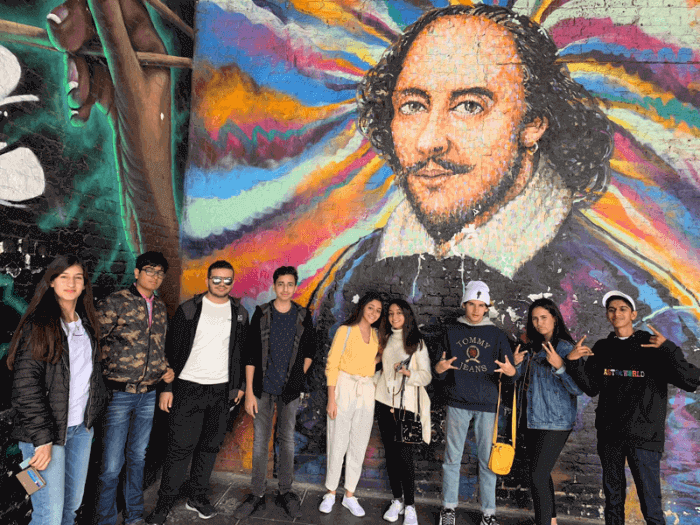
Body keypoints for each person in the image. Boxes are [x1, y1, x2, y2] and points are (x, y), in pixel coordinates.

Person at [314, 2, 616, 340]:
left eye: (469, 106)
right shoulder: (354, 273)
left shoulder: (606, 289)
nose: (429, 141)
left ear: (532, 124)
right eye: (413, 105)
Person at [566, 291, 700, 525]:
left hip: (644, 435)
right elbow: (591, 387)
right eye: (611, 310)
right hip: (610, 435)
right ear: (608, 315)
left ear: (633, 314)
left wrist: (669, 348)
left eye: (622, 309)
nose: (616, 313)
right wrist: (574, 362)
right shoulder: (603, 347)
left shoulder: (652, 344)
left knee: (650, 502)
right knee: (613, 499)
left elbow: (690, 381)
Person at [8, 254, 108, 525]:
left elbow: (90, 376)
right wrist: (41, 439)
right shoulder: (39, 325)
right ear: (51, 282)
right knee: (48, 515)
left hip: (79, 431)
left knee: (70, 508)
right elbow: (25, 386)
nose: (71, 283)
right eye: (63, 277)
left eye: (77, 277)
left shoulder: (86, 324)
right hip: (44, 437)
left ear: (85, 284)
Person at [146, 260, 248, 524]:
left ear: (232, 282)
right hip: (187, 389)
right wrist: (167, 388)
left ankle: (197, 497)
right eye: (217, 279)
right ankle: (163, 504)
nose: (222, 284)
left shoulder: (239, 312)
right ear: (207, 280)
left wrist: (238, 386)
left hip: (220, 391)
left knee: (209, 447)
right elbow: (172, 352)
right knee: (179, 448)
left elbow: (240, 351)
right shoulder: (189, 309)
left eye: (227, 280)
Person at [96, 251, 174, 525]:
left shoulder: (162, 308)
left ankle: (134, 517)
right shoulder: (116, 302)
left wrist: (165, 373)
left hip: (148, 395)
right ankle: (105, 519)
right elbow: (93, 340)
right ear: (137, 273)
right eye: (150, 271)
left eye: (160, 273)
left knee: (137, 460)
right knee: (110, 467)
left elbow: (160, 348)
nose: (155, 277)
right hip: (119, 395)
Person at [234, 265, 316, 520]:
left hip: (289, 391)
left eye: (290, 284)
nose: (285, 289)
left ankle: (286, 491)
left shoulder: (303, 314)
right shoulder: (262, 313)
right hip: (262, 389)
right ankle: (257, 492)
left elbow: (310, 350)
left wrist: (297, 377)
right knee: (260, 443)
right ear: (274, 285)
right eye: (280, 284)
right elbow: (249, 353)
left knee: (287, 441)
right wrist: (249, 392)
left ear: (295, 286)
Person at [435, 281, 517, 525]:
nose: (476, 309)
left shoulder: (497, 335)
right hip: (457, 400)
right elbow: (438, 371)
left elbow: (512, 374)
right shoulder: (451, 332)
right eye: (472, 304)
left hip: (487, 404)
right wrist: (439, 368)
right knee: (452, 458)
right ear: (464, 304)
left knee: (487, 461)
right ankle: (448, 509)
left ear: (487, 307)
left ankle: (488, 514)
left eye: (481, 305)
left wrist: (511, 371)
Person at [513, 299, 585, 525]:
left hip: (555, 422)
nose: (539, 322)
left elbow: (577, 389)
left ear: (554, 318)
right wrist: (514, 366)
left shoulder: (565, 348)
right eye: (535, 318)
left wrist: (560, 366)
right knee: (539, 476)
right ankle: (550, 521)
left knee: (538, 475)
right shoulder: (532, 348)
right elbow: (519, 381)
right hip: (532, 419)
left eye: (544, 317)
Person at [319, 291, 383, 517]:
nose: (374, 313)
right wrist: (331, 398)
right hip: (344, 387)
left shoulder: (376, 335)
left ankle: (349, 495)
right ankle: (330, 492)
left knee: (359, 443)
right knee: (337, 441)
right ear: (362, 308)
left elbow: (372, 360)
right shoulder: (345, 331)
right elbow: (332, 365)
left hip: (366, 390)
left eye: (378, 310)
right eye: (370, 308)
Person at [375, 299, 432, 525]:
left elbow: (426, 376)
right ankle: (396, 500)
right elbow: (380, 369)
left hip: (406, 407)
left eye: (399, 313)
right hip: (383, 403)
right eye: (390, 313)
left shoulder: (416, 343)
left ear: (407, 315)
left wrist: (409, 374)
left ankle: (410, 506)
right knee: (390, 453)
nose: (394, 317)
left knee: (405, 457)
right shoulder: (385, 339)